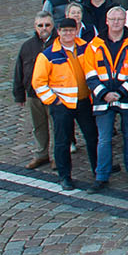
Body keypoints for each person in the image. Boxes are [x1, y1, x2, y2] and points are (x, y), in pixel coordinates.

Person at [84, 7, 128, 191]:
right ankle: (101, 175)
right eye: (113, 19)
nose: (116, 22)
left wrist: (120, 92)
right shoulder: (94, 45)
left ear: (125, 20)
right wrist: (104, 94)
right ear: (106, 20)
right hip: (103, 99)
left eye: (120, 19)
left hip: (127, 97)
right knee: (104, 139)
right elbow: (90, 73)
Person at [30, 16, 94, 191]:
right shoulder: (48, 55)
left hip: (84, 101)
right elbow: (38, 82)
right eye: (64, 31)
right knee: (62, 141)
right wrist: (54, 100)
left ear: (76, 31)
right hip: (62, 105)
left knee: (92, 136)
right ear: (58, 32)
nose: (68, 33)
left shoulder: (86, 48)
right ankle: (65, 176)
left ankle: (98, 171)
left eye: (71, 30)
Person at [12, 11, 56, 169]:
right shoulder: (27, 46)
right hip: (33, 94)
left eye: (47, 25)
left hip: (54, 94)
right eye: (40, 25)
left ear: (53, 25)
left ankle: (58, 157)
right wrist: (19, 94)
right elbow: (19, 70)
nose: (44, 28)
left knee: (56, 126)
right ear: (35, 26)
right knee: (39, 126)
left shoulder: (59, 44)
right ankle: (41, 154)